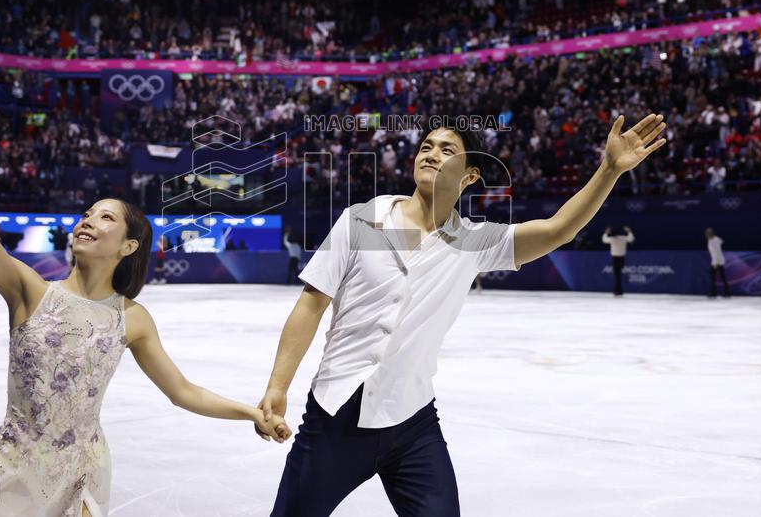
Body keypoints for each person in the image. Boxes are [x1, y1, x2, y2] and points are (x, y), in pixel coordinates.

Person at [258, 113, 666, 516]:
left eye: (447, 150)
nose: (431, 154)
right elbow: (312, 302)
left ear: (470, 176)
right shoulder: (360, 219)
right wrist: (278, 385)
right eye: (426, 147)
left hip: (411, 424)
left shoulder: (474, 241)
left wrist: (609, 170)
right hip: (335, 419)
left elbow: (556, 229)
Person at [0, 85, 291, 517]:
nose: (88, 221)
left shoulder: (133, 318)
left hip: (84, 473)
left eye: (105, 217)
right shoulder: (29, 291)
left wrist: (250, 413)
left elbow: (183, 391)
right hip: (13, 473)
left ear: (128, 246)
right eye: (87, 214)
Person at [602, 226, 634, 297]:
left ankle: (618, 291)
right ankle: (618, 291)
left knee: (617, 275)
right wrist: (629, 231)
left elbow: (604, 239)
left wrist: (606, 232)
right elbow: (631, 238)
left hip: (616, 258)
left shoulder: (612, 239)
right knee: (618, 275)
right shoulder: (623, 238)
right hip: (621, 258)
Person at [705, 228, 730, 299]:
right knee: (723, 277)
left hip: (715, 261)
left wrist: (715, 263)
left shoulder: (711, 242)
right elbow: (721, 241)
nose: (706, 235)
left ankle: (713, 293)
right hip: (721, 260)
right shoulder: (717, 239)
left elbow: (714, 253)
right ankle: (727, 293)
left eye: (707, 234)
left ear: (709, 234)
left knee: (712, 278)